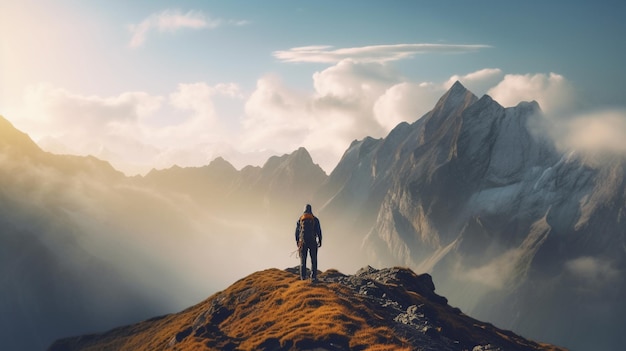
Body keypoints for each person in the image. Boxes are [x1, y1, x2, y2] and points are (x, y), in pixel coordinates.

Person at [295, 204, 322, 281]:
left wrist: (297, 241)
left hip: (303, 242)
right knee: (314, 259)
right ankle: (313, 277)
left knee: (303, 260)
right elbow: (319, 231)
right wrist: (320, 240)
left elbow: (296, 232)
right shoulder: (315, 219)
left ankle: (303, 277)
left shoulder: (300, 220)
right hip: (313, 241)